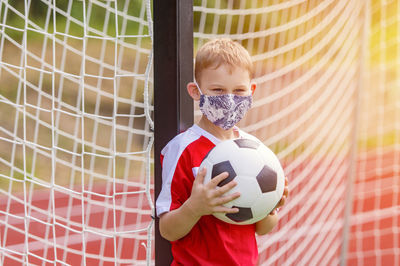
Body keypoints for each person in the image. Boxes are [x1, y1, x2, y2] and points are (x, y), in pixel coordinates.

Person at [156, 38, 289, 265]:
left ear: (251, 91)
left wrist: (270, 208)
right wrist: (195, 207)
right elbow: (167, 230)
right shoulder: (182, 149)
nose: (229, 100)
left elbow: (262, 229)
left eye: (238, 91)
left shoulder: (255, 152)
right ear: (195, 91)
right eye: (218, 90)